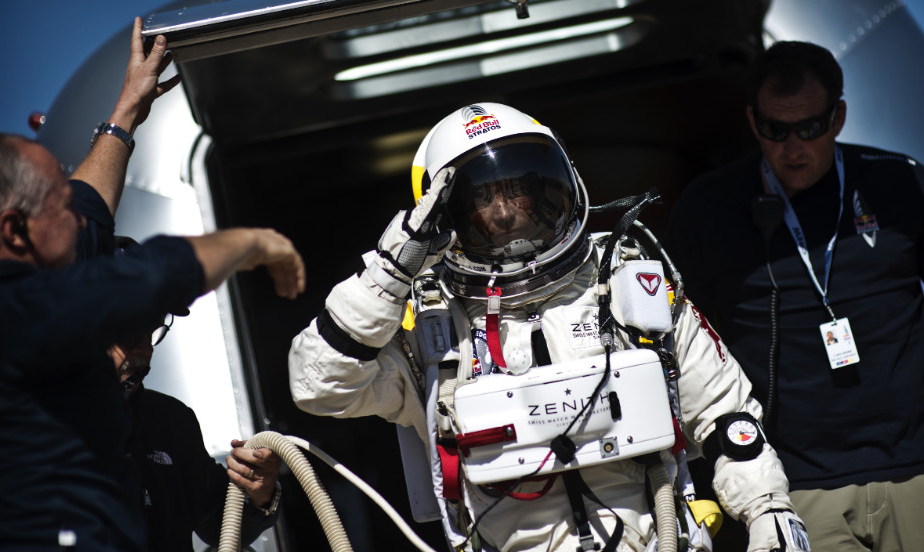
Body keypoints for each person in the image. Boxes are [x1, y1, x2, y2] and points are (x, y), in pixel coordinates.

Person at [288, 102, 809, 551]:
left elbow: (722, 411)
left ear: (554, 185)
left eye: (517, 190)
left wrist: (768, 512)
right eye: (484, 199)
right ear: (445, 214)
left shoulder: (625, 280)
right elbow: (319, 385)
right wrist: (388, 272)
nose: (506, 212)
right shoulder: (429, 324)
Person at [0, 18, 305, 552]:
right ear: (15, 232)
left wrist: (127, 110)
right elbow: (149, 275)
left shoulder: (168, 422)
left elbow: (91, 202)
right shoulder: (7, 316)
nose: (83, 221)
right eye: (61, 209)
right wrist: (251, 242)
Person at [665, 41, 924, 552]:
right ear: (752, 121)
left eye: (810, 128)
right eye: (774, 130)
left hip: (918, 464)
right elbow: (679, 340)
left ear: (839, 117)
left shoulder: (900, 182)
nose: (793, 147)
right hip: (793, 483)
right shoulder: (706, 208)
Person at [110, 236, 282, 551]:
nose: (146, 346)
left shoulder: (172, 421)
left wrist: (259, 494)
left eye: (153, 327)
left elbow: (220, 528)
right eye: (131, 329)